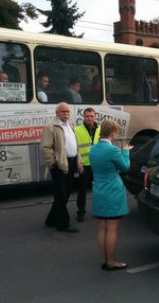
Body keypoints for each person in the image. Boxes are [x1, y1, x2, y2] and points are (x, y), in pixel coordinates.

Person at [89, 119, 133, 270]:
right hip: (112, 191)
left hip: (99, 190)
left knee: (102, 227)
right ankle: (112, 261)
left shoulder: (93, 149)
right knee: (112, 228)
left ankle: (104, 259)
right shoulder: (112, 150)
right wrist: (126, 151)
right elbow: (125, 167)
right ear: (113, 133)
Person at [40, 102, 83, 233]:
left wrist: (78, 162)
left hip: (71, 162)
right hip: (60, 164)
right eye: (63, 111)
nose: (66, 114)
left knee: (64, 194)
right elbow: (45, 147)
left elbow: (75, 145)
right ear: (57, 113)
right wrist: (53, 164)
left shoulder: (70, 125)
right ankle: (63, 224)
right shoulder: (50, 127)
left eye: (67, 111)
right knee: (61, 194)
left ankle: (51, 220)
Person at [74, 107, 100, 222]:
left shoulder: (101, 130)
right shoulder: (77, 130)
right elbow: (75, 149)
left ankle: (98, 210)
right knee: (82, 190)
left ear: (95, 117)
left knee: (98, 190)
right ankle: (81, 212)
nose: (90, 118)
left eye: (92, 116)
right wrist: (78, 163)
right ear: (84, 117)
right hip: (84, 165)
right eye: (87, 116)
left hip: (97, 165)